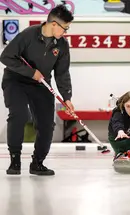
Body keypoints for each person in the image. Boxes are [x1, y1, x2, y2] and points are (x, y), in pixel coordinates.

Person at [0, 4, 75, 175]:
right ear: (54, 24)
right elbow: (5, 57)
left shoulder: (62, 45)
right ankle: (15, 161)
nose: (66, 32)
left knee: (47, 123)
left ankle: (37, 163)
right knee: (19, 115)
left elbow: (62, 73)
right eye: (65, 28)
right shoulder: (28, 35)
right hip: (16, 80)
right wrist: (30, 72)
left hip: (41, 83)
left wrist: (67, 98)